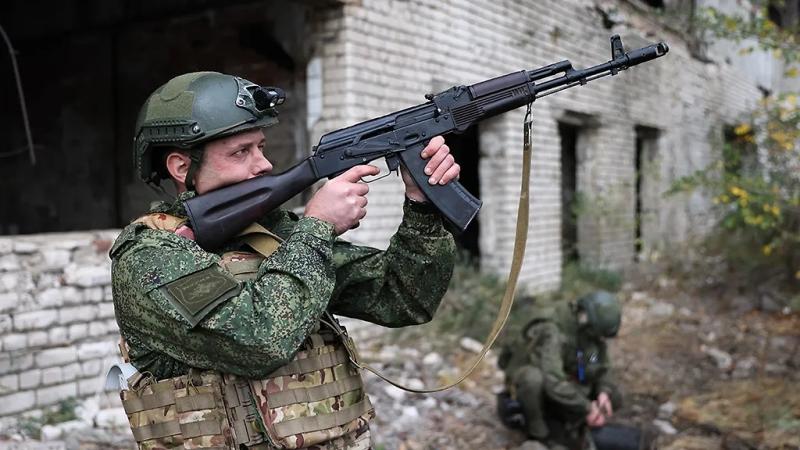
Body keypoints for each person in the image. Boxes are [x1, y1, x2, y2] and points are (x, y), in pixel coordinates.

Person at [110, 71, 460, 450]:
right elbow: (257, 342)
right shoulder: (149, 257)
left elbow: (402, 297)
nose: (263, 164)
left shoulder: (271, 234)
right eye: (241, 152)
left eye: (260, 147)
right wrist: (318, 227)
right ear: (181, 168)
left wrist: (420, 206)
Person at [497, 291, 623, 450]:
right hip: (530, 376)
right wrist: (587, 407)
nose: (602, 341)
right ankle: (538, 433)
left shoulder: (590, 331)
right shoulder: (554, 331)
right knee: (533, 379)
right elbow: (553, 380)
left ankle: (571, 424)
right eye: (600, 337)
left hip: (561, 373)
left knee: (614, 396)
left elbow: (600, 364)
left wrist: (603, 392)